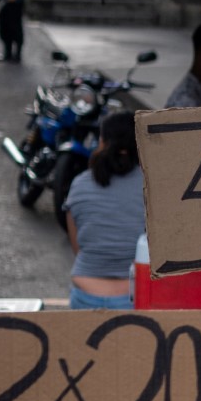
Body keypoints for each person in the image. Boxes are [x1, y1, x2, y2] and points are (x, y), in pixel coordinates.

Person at [62, 111, 146, 310]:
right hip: (134, 296)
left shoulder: (79, 184)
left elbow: (78, 246)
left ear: (102, 142)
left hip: (84, 296)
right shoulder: (151, 185)